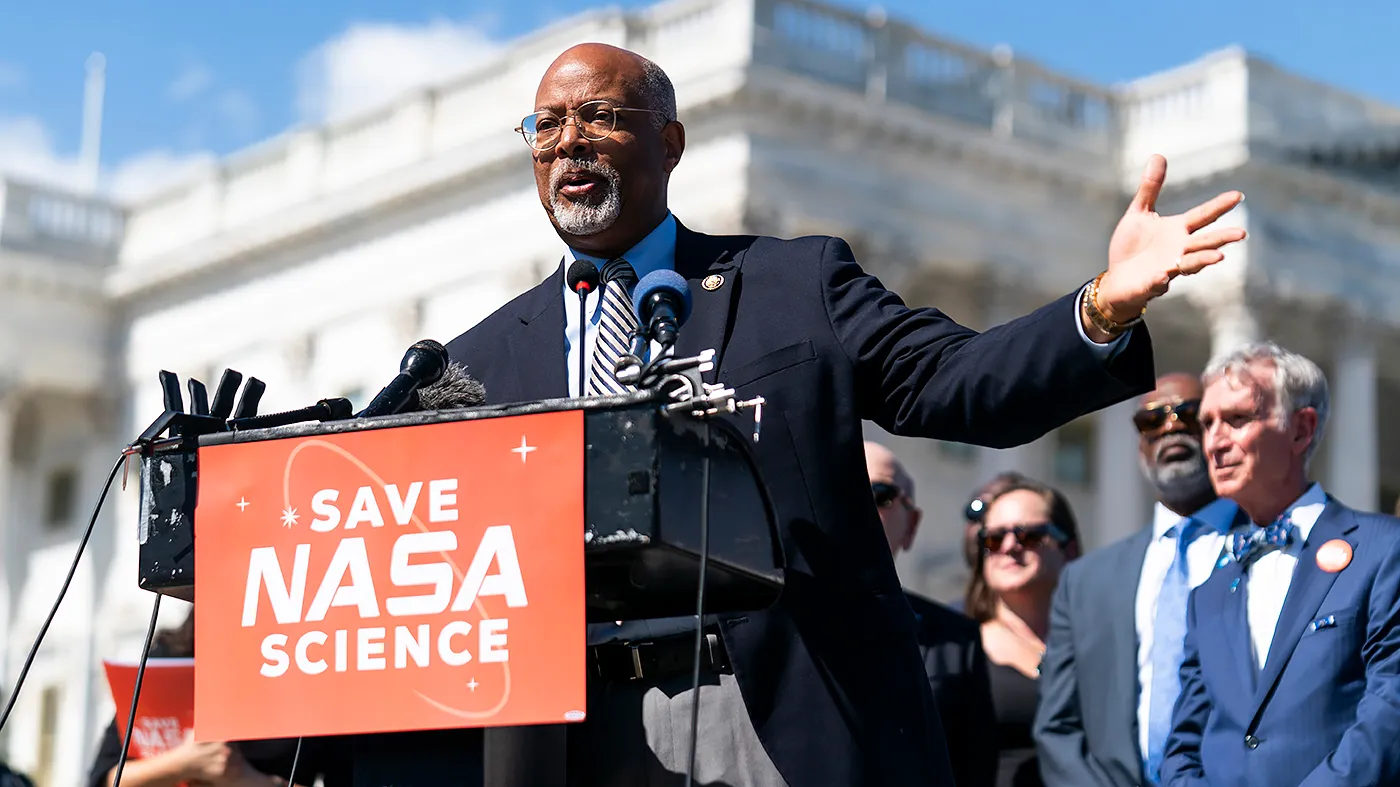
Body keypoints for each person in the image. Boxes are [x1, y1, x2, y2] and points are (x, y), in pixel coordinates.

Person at [444, 41, 1246, 786]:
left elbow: (957, 379)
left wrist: (1102, 306)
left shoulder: (793, 286)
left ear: (671, 143)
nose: (569, 142)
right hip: (561, 735)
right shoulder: (473, 365)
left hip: (761, 712)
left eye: (600, 117)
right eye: (547, 125)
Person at [1161, 343, 1400, 787]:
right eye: (1207, 423)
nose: (1214, 442)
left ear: (1301, 430)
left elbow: (1391, 710)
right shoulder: (1208, 593)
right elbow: (1184, 747)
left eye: (1237, 418)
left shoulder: (1384, 550)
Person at [1034, 374, 1241, 786]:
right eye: (1151, 420)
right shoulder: (1085, 581)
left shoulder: (1272, 547)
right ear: (1139, 447)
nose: (1171, 427)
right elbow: (1058, 728)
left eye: (1189, 413)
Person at [865, 441, 998, 787]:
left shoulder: (956, 641)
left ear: (911, 524)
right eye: (840, 488)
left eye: (879, 495)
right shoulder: (762, 618)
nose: (856, 504)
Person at [87, 611, 349, 787]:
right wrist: (184, 763)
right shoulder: (172, 657)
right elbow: (107, 778)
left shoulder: (317, 667)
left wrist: (245, 779)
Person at [964, 479, 1080, 787]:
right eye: (993, 539)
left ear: (1069, 548)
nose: (1009, 546)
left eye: (1028, 535)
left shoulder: (1099, 643)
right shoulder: (958, 648)